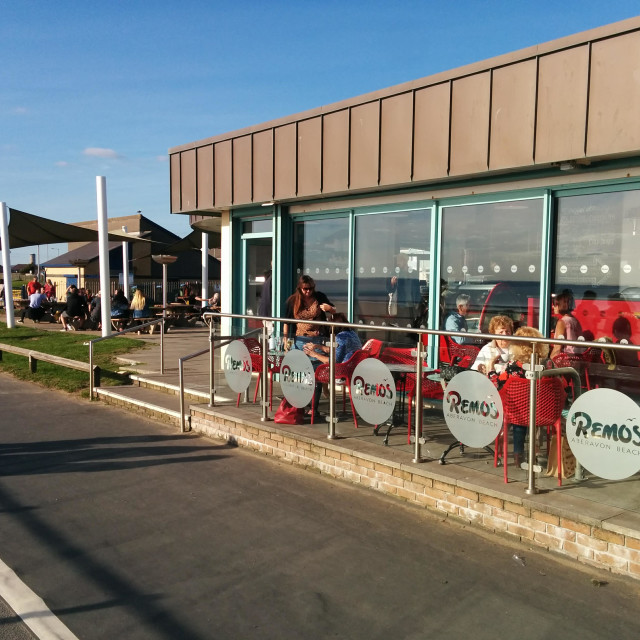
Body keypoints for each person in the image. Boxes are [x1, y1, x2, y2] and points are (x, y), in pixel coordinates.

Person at [490, 327, 552, 468]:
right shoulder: (548, 364)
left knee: (519, 420)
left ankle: (518, 455)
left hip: (520, 413)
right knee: (527, 413)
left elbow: (496, 383)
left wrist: (491, 367)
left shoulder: (513, 367)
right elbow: (561, 384)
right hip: (544, 413)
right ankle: (537, 451)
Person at [283, 275, 336, 418]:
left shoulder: (319, 296)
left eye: (311, 288)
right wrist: (286, 341)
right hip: (299, 339)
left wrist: (329, 308)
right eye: (305, 289)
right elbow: (286, 321)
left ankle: (314, 407)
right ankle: (300, 404)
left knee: (316, 373)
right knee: (299, 373)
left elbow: (334, 311)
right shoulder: (293, 300)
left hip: (316, 340)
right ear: (300, 288)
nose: (308, 292)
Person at [386, 254, 421, 328]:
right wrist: (392, 283)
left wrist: (418, 301)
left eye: (400, 260)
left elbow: (417, 288)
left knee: (412, 324)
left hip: (412, 304)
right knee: (402, 325)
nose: (398, 262)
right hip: (401, 304)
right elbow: (389, 290)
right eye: (397, 260)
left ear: (405, 261)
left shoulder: (413, 273)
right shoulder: (395, 273)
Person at [551, 290, 585, 358]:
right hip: (577, 358)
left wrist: (550, 359)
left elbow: (558, 348)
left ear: (560, 306)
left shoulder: (562, 322)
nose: (553, 307)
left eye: (555, 304)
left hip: (566, 360)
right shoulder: (575, 321)